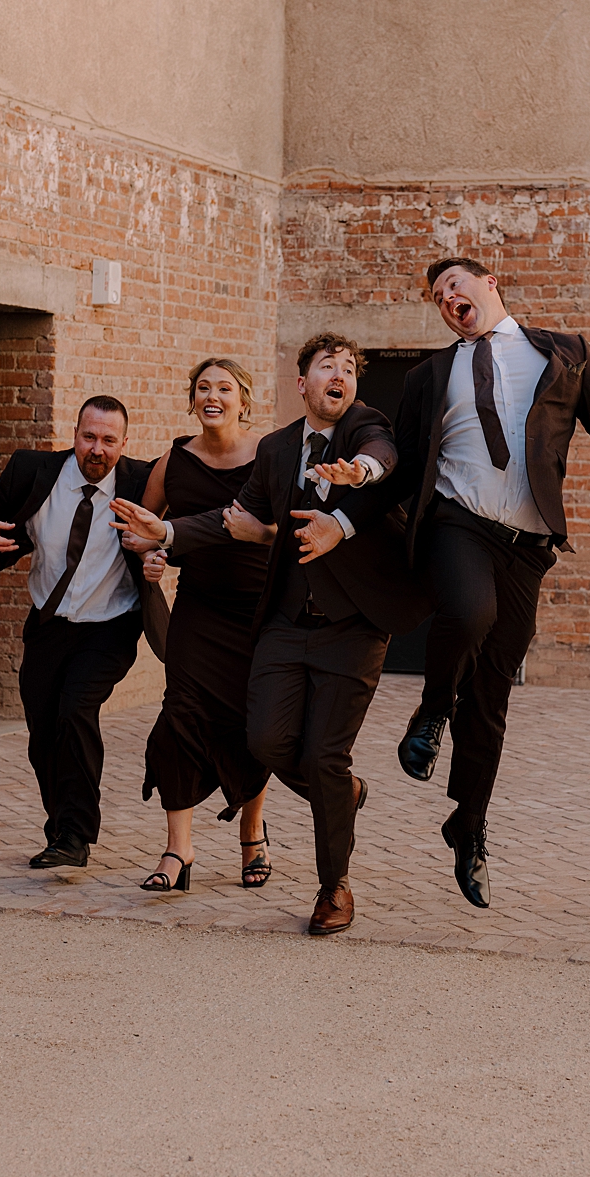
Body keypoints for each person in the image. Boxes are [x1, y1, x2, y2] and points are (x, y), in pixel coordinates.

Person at [116, 334, 422, 934]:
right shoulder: (279, 449)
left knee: (323, 755)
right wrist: (170, 532)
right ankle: (341, 791)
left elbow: (382, 456)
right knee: (265, 742)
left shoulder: (367, 428)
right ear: (301, 383)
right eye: (326, 367)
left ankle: (334, 887)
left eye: (349, 369)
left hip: (352, 626)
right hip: (282, 623)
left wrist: (357, 473)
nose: (340, 375)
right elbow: (236, 518)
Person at [390, 256, 590, 909]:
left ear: (490, 283)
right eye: (438, 294)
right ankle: (431, 709)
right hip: (458, 521)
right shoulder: (426, 376)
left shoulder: (565, 355)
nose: (448, 297)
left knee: (494, 693)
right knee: (468, 612)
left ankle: (467, 825)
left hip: (528, 546)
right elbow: (403, 463)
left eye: (456, 285)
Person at [0, 396, 168, 870]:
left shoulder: (143, 483)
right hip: (49, 622)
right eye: (89, 437)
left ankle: (76, 835)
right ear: (75, 434)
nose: (96, 449)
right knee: (43, 730)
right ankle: (61, 827)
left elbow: (174, 530)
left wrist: (159, 553)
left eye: (108, 440)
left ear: (124, 443)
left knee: (75, 710)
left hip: (111, 623)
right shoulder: (34, 471)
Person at [117, 358, 274, 893]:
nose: (214, 396)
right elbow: (142, 528)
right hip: (199, 611)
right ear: (192, 399)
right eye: (203, 388)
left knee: (255, 727)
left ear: (242, 399)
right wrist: (148, 556)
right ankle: (177, 851)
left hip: (258, 611)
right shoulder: (174, 461)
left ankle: (252, 833)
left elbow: (283, 527)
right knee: (180, 718)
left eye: (225, 388)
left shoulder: (270, 455)